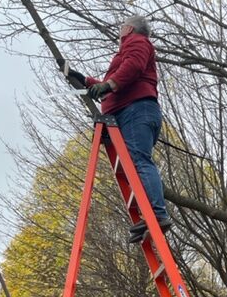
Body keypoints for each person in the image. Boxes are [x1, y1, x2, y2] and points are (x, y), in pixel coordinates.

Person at [67, 15, 171, 243]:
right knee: (137, 163)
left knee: (140, 161)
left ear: (128, 28)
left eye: (121, 27)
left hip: (135, 110)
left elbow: (131, 68)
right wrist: (87, 81)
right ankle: (153, 213)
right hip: (133, 110)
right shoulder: (131, 47)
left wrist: (109, 85)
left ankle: (158, 214)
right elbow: (119, 78)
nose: (119, 32)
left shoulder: (136, 42)